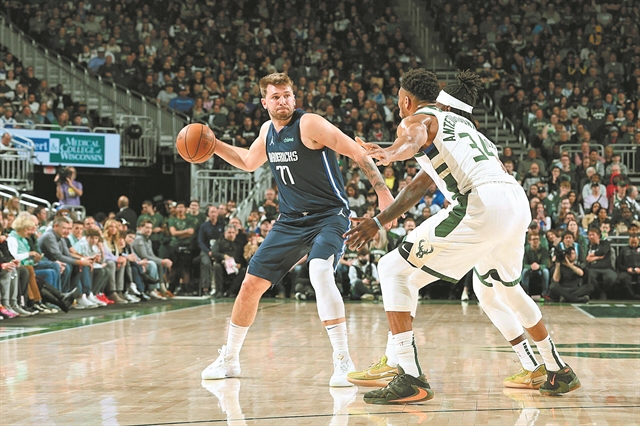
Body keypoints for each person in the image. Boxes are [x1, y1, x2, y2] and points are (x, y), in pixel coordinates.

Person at [344, 69, 580, 404]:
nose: (399, 108)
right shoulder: (467, 128)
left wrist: (389, 153)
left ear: (407, 100)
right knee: (498, 291)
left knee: (391, 269)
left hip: (480, 204)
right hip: (515, 201)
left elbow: (411, 138)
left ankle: (408, 375)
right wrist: (380, 221)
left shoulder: (418, 119)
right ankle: (555, 368)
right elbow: (418, 186)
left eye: (399, 102)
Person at [200, 72, 393, 387]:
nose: (283, 101)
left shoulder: (310, 124)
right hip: (290, 220)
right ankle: (230, 358)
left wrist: (383, 193)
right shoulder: (267, 131)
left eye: (287, 95)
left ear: (294, 97)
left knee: (319, 271)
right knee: (250, 285)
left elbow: (356, 151)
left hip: (329, 215)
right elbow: (248, 161)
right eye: (275, 97)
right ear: (264, 102)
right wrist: (214, 144)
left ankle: (343, 360)